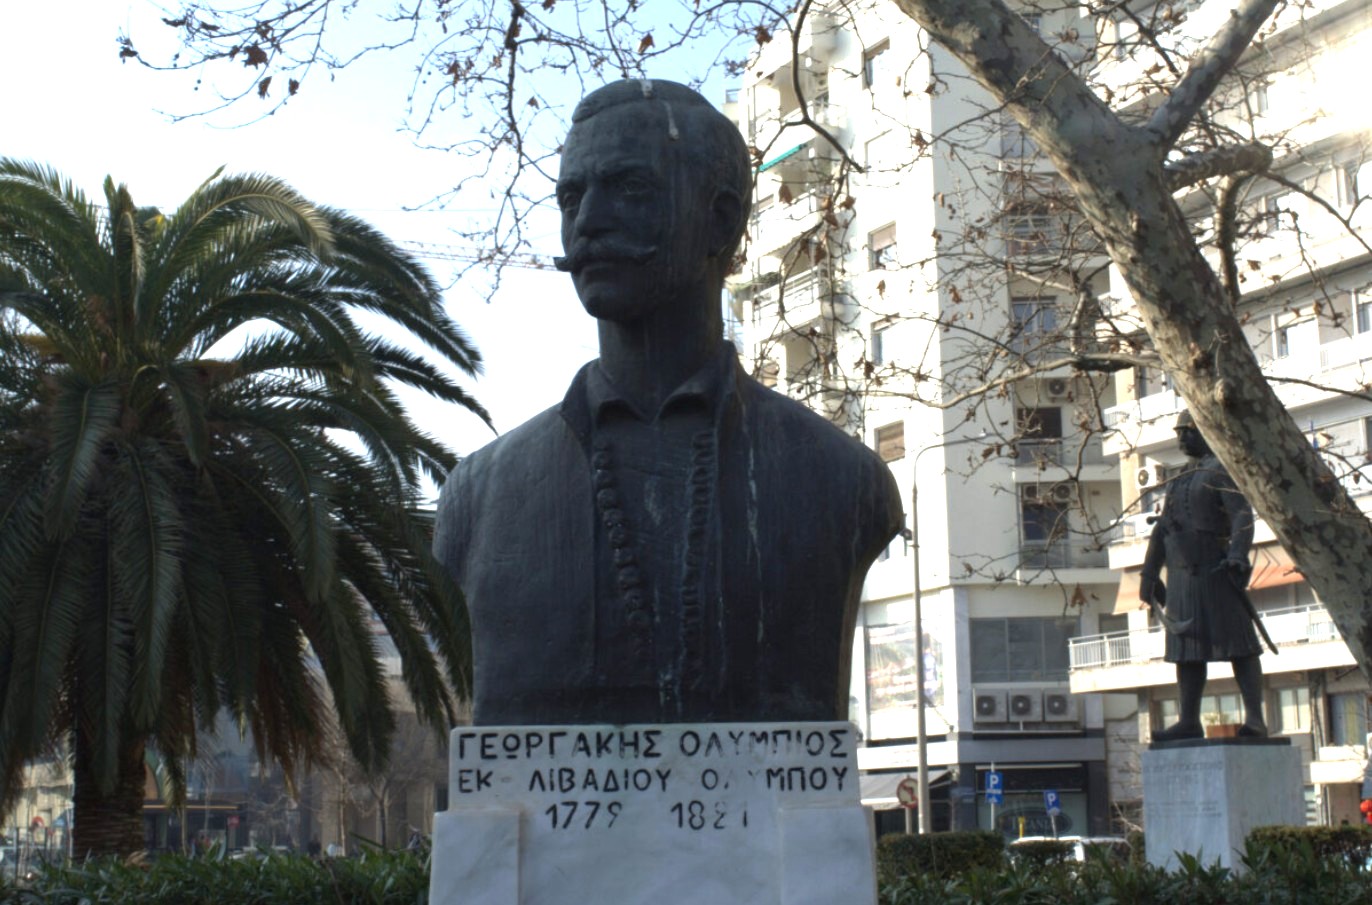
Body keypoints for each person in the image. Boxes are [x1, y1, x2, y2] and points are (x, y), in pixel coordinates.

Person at [434, 79, 903, 726]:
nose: (588, 221)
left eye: (631, 190)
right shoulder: (478, 496)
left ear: (722, 218)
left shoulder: (847, 484)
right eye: (572, 196)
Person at [1140, 410, 1265, 741]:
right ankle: (1189, 720)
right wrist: (1149, 574)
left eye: (1188, 432)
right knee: (1187, 651)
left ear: (1206, 432)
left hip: (1215, 569)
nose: (1182, 439)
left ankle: (1256, 719)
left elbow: (1242, 515)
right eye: (1178, 433)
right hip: (1181, 578)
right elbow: (1163, 528)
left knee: (1240, 644)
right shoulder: (1179, 477)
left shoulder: (1220, 470)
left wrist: (1238, 554)